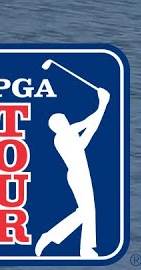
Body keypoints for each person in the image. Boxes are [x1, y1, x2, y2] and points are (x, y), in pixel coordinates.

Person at [35, 86, 109, 258]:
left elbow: (90, 131)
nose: (66, 120)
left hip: (82, 173)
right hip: (77, 175)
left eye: (65, 118)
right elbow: (87, 123)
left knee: (88, 211)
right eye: (62, 120)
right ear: (57, 126)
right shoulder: (61, 137)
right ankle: (51, 237)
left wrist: (102, 106)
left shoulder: (71, 137)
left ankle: (85, 249)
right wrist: (102, 103)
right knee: (85, 212)